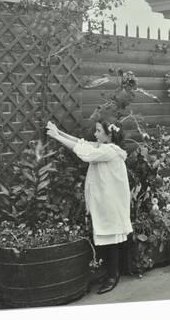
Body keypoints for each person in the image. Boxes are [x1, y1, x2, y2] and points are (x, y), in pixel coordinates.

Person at [46, 120, 132, 294]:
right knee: (107, 235)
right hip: (106, 199)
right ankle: (109, 272)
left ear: (109, 135)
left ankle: (113, 275)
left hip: (111, 201)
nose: (95, 134)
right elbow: (81, 143)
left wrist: (56, 136)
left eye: (98, 131)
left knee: (112, 237)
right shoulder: (104, 146)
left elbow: (84, 153)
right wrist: (59, 133)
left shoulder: (109, 151)